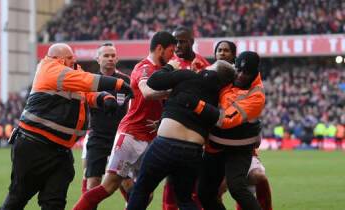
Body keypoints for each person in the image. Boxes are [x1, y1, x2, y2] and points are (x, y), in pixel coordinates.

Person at [0, 43, 132, 210]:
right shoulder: (49, 69)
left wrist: (103, 98)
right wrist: (117, 85)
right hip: (34, 146)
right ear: (57, 59)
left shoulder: (73, 69)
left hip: (60, 149)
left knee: (55, 202)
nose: (73, 60)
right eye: (69, 58)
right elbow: (85, 81)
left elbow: (85, 92)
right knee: (18, 197)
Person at [72, 31, 177, 210]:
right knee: (102, 184)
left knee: (145, 192)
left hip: (148, 138)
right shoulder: (143, 68)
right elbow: (147, 93)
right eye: (171, 51)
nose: (173, 56)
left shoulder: (128, 79)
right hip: (124, 136)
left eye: (113, 55)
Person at [126, 59, 236, 210]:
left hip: (165, 144)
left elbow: (154, 81)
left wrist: (170, 67)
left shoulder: (188, 76)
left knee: (142, 189)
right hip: (192, 151)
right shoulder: (221, 96)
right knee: (184, 200)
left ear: (210, 69)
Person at [176, 51, 266, 210]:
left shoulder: (256, 96)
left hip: (239, 147)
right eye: (238, 69)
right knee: (204, 193)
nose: (240, 75)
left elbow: (225, 120)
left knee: (237, 188)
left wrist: (197, 105)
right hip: (215, 145)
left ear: (254, 74)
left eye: (246, 73)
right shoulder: (228, 74)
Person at [80, 42, 133, 208]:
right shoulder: (89, 81)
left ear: (117, 58)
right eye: (106, 55)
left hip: (120, 139)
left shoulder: (126, 81)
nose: (110, 59)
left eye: (112, 55)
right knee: (93, 183)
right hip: (97, 137)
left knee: (129, 185)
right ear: (98, 59)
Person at [163, 26, 210, 210]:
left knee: (194, 181)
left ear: (191, 41)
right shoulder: (170, 63)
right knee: (170, 179)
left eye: (182, 41)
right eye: (175, 42)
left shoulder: (203, 65)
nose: (177, 46)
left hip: (195, 132)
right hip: (171, 127)